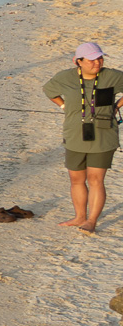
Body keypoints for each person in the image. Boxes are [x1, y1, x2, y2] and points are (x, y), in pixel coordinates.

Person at [45, 42, 123, 232]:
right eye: (91, 60)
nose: (97, 63)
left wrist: (117, 106)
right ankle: (80, 217)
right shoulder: (65, 77)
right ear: (78, 61)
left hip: (104, 135)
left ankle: (92, 220)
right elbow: (49, 90)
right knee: (76, 179)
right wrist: (63, 106)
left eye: (99, 58)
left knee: (96, 179)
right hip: (75, 134)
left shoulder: (112, 76)